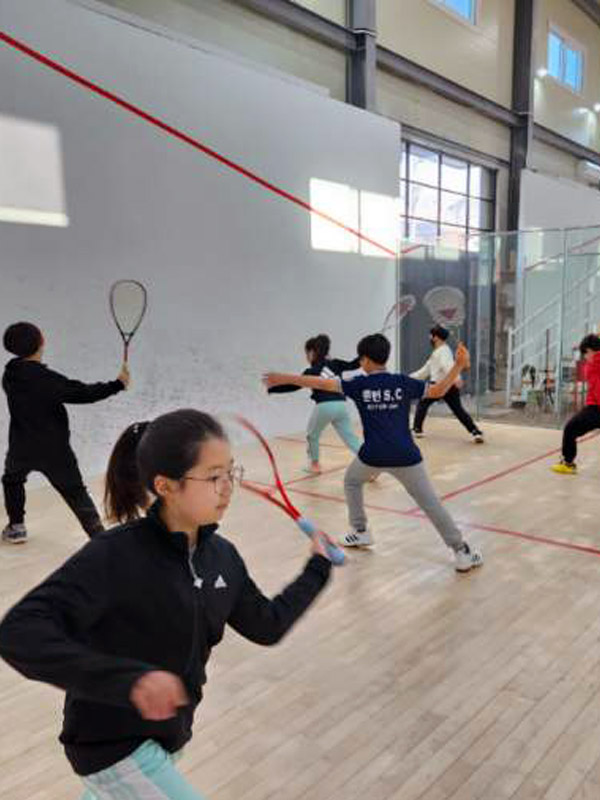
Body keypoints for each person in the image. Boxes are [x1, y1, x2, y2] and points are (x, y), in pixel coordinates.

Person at [0, 408, 332, 799]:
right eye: (214, 477)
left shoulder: (222, 557)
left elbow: (267, 624)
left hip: (167, 740)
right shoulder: (114, 555)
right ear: (165, 485)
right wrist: (130, 681)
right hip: (112, 747)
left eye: (230, 472)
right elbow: (19, 632)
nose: (228, 487)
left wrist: (317, 567)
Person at [264, 334, 483, 573]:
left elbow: (321, 383)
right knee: (431, 504)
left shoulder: (359, 385)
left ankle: (360, 530)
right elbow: (439, 390)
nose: (360, 363)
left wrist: (283, 378)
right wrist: (458, 365)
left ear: (366, 360)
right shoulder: (403, 382)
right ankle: (461, 551)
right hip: (406, 457)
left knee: (352, 481)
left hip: (373, 456)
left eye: (361, 359)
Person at [1, 322, 129, 543]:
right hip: (55, 451)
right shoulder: (47, 379)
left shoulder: (9, 375)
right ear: (42, 341)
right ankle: (99, 538)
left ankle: (16, 527)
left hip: (21, 447)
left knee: (12, 480)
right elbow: (83, 393)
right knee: (75, 492)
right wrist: (117, 384)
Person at [268, 334, 362, 474]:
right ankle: (369, 462)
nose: (307, 357)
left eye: (307, 353)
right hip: (341, 405)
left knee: (312, 435)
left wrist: (272, 389)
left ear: (312, 352)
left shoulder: (310, 371)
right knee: (350, 438)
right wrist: (365, 352)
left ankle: (315, 465)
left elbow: (293, 385)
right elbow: (355, 364)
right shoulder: (336, 363)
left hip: (324, 406)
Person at [411, 325, 484, 443]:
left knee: (423, 404)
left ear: (436, 337)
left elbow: (448, 366)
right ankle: (475, 432)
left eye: (431, 335)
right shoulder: (438, 352)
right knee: (458, 410)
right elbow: (424, 371)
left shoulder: (443, 351)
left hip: (438, 386)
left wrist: (456, 378)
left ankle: (417, 429)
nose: (429, 337)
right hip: (448, 386)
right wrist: (406, 378)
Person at [552, 333, 600, 475]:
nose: (584, 358)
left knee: (570, 429)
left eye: (585, 354)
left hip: (596, 408)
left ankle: (568, 463)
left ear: (590, 351)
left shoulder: (593, 365)